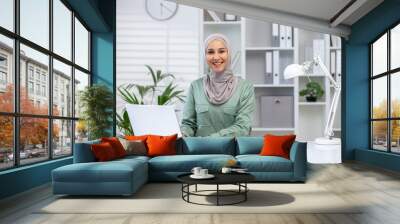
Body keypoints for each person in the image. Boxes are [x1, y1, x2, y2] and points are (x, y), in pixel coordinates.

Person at [181, 33, 255, 137]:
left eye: (221, 51)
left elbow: (243, 127)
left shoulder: (245, 87)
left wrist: (211, 140)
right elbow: (188, 124)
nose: (216, 57)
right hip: (199, 151)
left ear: (229, 53)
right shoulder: (195, 86)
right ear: (205, 55)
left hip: (232, 152)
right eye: (210, 52)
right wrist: (183, 135)